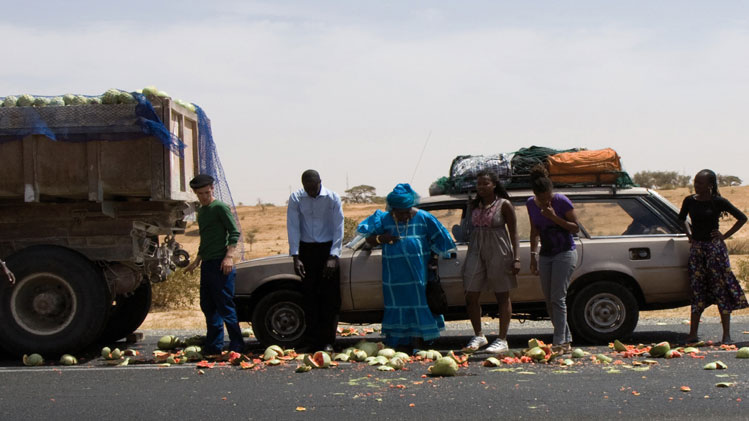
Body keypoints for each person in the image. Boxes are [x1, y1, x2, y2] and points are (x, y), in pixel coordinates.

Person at [356, 183, 456, 351]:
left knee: (417, 303)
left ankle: (417, 343)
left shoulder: (424, 217)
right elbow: (369, 240)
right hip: (393, 275)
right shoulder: (384, 219)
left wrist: (434, 257)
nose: (404, 216)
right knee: (396, 305)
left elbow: (441, 239)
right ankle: (397, 343)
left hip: (417, 274)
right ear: (392, 210)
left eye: (406, 212)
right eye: (399, 213)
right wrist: (383, 238)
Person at [679, 169, 748, 344]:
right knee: (697, 290)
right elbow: (681, 219)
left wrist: (724, 236)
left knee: (721, 290)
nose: (696, 186)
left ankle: (726, 335)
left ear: (710, 185)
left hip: (715, 251)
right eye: (695, 182)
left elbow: (742, 218)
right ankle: (693, 334)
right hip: (697, 250)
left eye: (700, 183)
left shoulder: (718, 202)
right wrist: (690, 235)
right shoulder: (689, 201)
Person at [184, 173, 244, 354]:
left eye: (206, 192)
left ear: (212, 189)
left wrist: (229, 257)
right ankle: (214, 346)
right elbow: (206, 239)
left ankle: (237, 344)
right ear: (195, 193)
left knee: (225, 306)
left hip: (221, 263)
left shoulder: (220, 207)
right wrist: (196, 261)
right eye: (200, 194)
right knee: (208, 306)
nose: (204, 196)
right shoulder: (202, 212)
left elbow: (234, 232)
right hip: (207, 264)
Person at [462, 171, 520, 354]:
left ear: (494, 185)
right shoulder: (473, 205)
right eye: (478, 184)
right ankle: (479, 335)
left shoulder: (504, 205)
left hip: (498, 248)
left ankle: (502, 339)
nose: (481, 187)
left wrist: (516, 258)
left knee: (502, 294)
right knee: (470, 293)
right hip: (476, 248)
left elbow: (514, 232)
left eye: (485, 183)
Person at [287, 169, 344, 353]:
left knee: (329, 299)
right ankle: (311, 341)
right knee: (309, 298)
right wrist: (296, 256)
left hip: (328, 250)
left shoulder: (332, 198)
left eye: (314, 187)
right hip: (307, 251)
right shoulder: (296, 198)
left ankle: (328, 342)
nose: (311, 192)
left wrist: (334, 256)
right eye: (307, 188)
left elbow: (338, 227)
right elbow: (293, 226)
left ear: (320, 181)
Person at [526, 165, 580, 354]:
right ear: (535, 195)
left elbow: (575, 228)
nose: (545, 201)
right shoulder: (531, 204)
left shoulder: (561, 201)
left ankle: (559, 341)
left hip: (564, 252)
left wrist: (554, 217)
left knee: (558, 297)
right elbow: (534, 231)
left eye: (548, 197)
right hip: (546, 254)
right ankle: (565, 338)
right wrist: (533, 256)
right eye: (541, 199)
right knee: (549, 299)